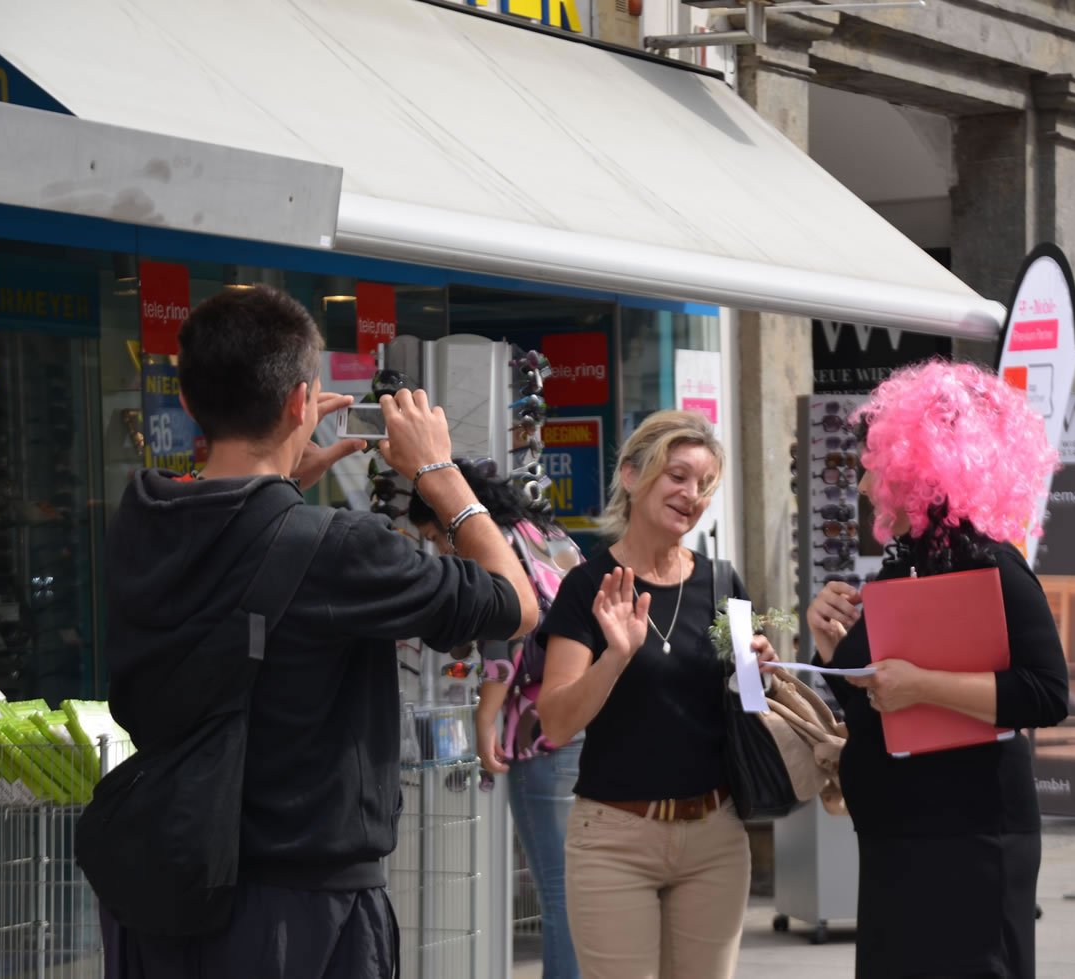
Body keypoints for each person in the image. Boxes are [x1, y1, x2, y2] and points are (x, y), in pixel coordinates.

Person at [102, 286, 538, 978]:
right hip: (306, 906)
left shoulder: (139, 520)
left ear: (187, 404)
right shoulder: (339, 548)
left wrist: (281, 498)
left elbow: (240, 565)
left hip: (168, 883)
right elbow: (515, 603)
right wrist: (440, 472)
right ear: (301, 404)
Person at [806, 360, 1068, 979]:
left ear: (915, 470)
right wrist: (829, 648)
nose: (867, 485)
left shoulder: (989, 563)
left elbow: (1047, 693)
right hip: (902, 833)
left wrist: (920, 685)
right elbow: (876, 701)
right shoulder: (905, 565)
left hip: (968, 837)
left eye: (876, 465)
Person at [535, 410, 776, 979]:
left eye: (703, 484)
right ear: (631, 476)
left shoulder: (723, 581)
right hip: (615, 840)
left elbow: (751, 706)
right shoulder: (588, 588)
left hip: (715, 837)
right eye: (677, 476)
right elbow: (556, 724)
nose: (691, 495)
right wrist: (616, 656)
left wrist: (758, 673)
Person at [408, 466, 585, 979]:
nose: (442, 549)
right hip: (584, 713)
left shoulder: (494, 547)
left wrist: (486, 716)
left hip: (536, 728)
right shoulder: (547, 533)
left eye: (437, 536)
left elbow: (508, 633)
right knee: (580, 886)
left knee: (558, 890)